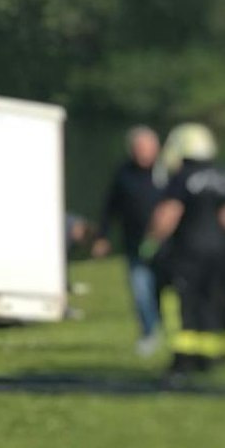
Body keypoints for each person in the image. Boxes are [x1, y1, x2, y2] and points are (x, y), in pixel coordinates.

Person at [146, 124, 225, 379]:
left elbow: (169, 214)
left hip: (188, 254)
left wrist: (150, 242)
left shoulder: (183, 178)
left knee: (182, 305)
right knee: (211, 303)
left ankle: (183, 360)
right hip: (221, 255)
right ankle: (210, 357)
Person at [93, 126, 166, 356]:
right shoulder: (123, 174)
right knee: (141, 291)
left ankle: (168, 330)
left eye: (147, 148)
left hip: (167, 247)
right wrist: (102, 236)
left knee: (163, 292)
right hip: (135, 245)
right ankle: (149, 334)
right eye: (138, 148)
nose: (143, 153)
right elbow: (110, 207)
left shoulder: (167, 174)